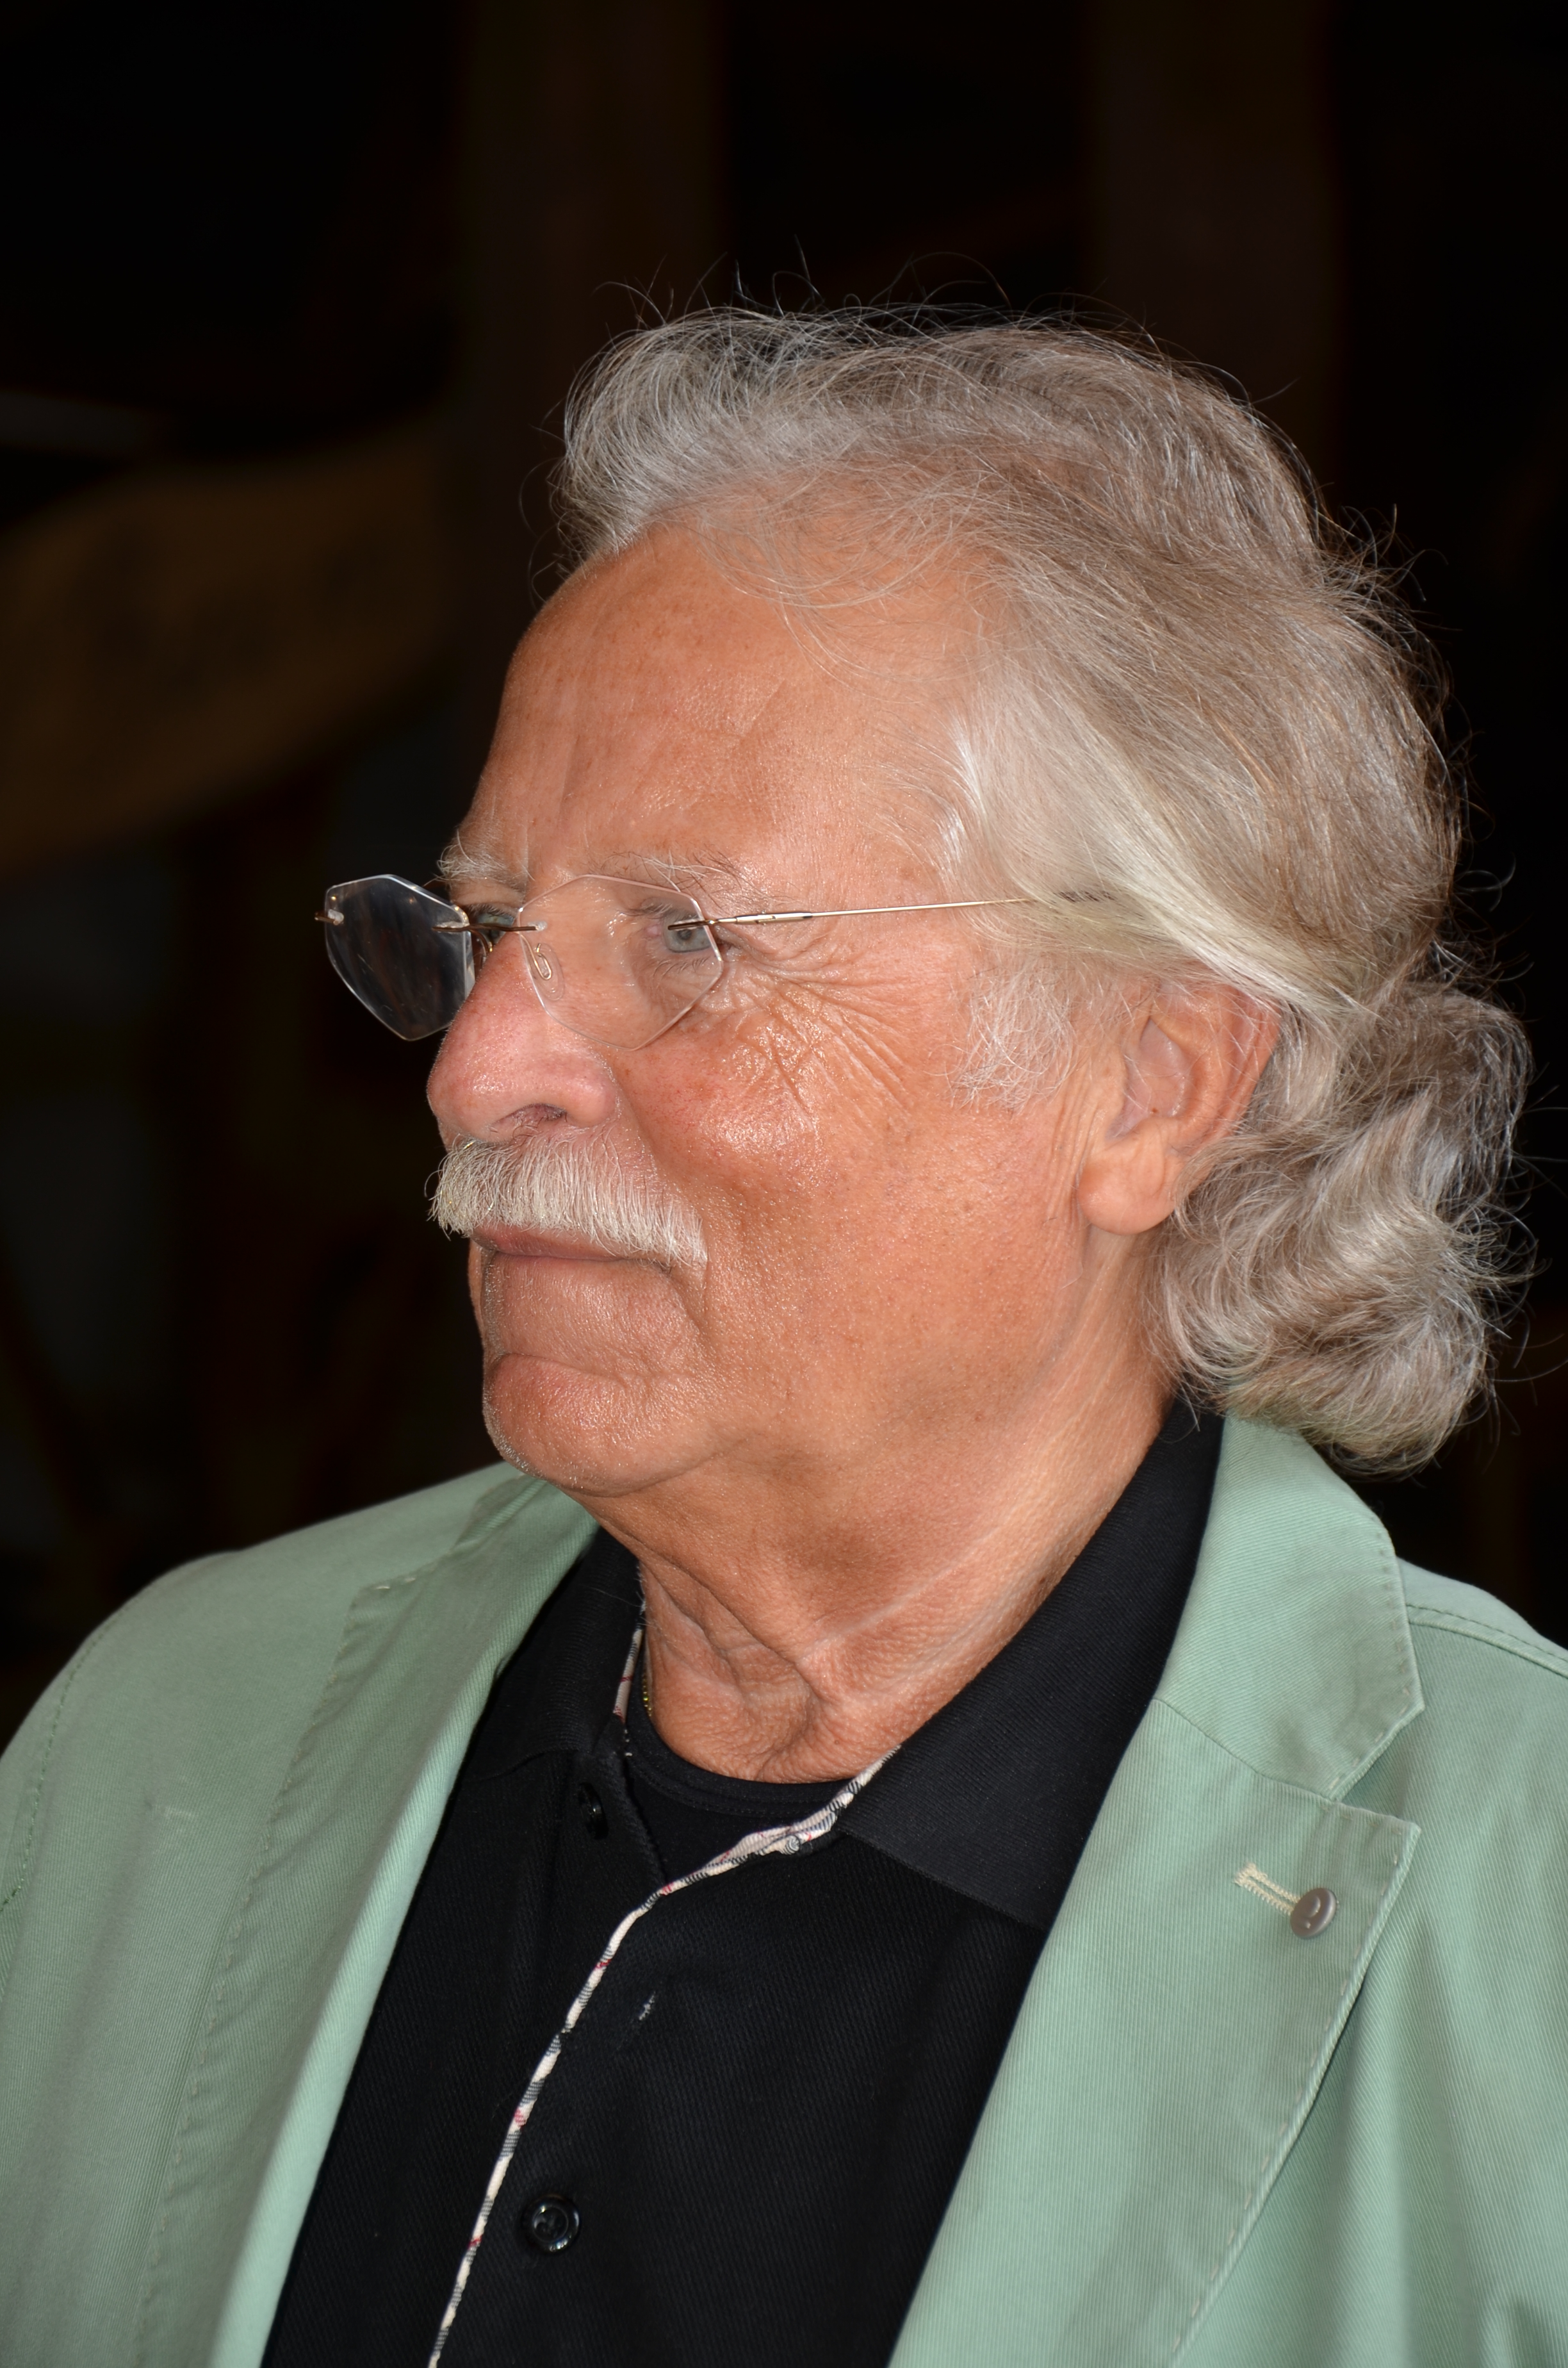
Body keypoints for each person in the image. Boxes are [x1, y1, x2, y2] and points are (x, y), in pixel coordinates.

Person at [1, 315, 1563, 2368]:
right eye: (486, 930)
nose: (476, 1069)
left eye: (689, 940)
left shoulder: (1525, 1926)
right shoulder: (161, 1737)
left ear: (1153, 1084)